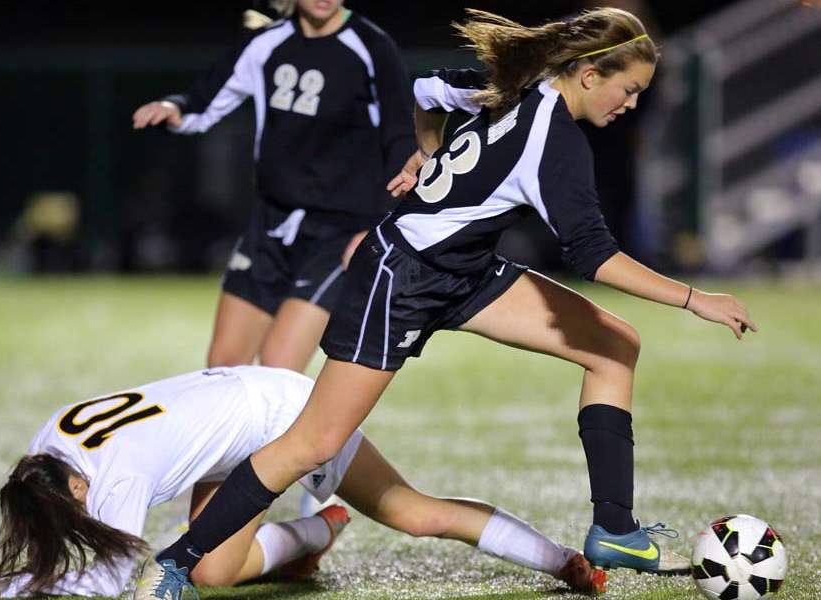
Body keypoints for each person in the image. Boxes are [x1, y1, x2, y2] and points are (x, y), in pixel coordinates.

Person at [132, 7, 762, 597]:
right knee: (314, 443)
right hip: (399, 276)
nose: (631, 104)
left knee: (614, 344)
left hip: (466, 271)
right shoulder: (556, 141)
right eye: (629, 91)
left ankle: (614, 531)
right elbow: (594, 256)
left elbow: (428, 89)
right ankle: (181, 561)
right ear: (591, 73)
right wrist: (694, 297)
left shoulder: (514, 85)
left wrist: (430, 153)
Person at [0, 366, 604, 599]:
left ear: (69, 489)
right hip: (233, 423)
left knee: (410, 511)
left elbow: (112, 579)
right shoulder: (48, 449)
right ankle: (319, 530)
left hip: (282, 415)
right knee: (209, 573)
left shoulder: (111, 476)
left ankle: (563, 560)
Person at [132, 0, 414, 373]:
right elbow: (205, 100)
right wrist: (174, 107)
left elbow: (400, 138)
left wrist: (379, 224)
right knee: (223, 367)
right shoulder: (266, 42)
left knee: (279, 367)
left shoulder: (372, 47)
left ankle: (313, 435)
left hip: (340, 234)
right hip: (269, 224)